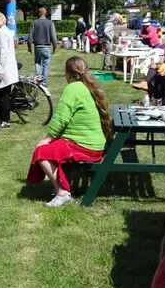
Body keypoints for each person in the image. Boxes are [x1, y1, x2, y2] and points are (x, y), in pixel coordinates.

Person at [26, 56, 113, 207]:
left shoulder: (73, 88)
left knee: (42, 152)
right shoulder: (88, 87)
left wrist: (47, 139)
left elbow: (61, 118)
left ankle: (63, 193)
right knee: (55, 147)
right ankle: (63, 185)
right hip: (97, 145)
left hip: (87, 147)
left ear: (67, 74)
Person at [0, 11, 19, 129]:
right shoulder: (6, 30)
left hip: (4, 70)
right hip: (6, 68)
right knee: (3, 95)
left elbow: (3, 53)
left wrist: (0, 70)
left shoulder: (1, 34)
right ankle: (2, 118)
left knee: (1, 96)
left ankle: (4, 119)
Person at [28, 7, 57, 84]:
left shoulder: (34, 23)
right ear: (46, 13)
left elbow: (30, 36)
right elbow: (54, 37)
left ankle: (38, 80)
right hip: (47, 47)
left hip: (37, 46)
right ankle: (44, 83)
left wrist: (29, 47)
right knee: (45, 65)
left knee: (37, 62)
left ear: (39, 13)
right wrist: (54, 47)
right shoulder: (50, 23)